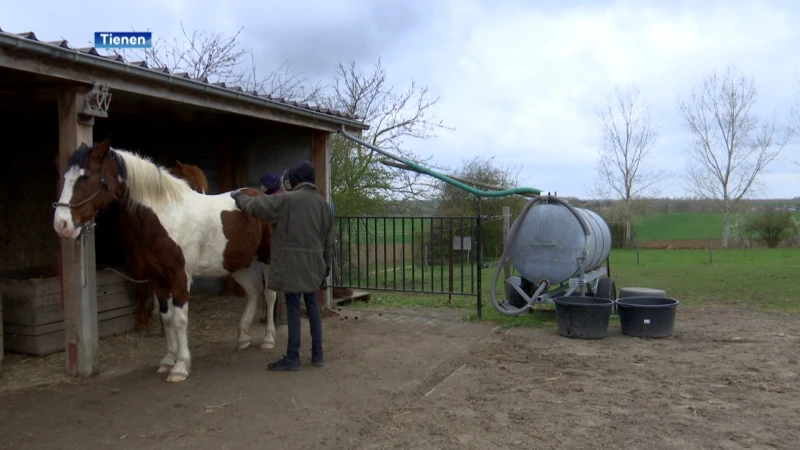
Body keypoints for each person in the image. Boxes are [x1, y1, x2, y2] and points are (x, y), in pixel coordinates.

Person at [231, 160, 334, 371]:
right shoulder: (324, 205)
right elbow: (329, 241)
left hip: (291, 265)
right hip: (315, 265)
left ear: (295, 180)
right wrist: (326, 268)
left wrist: (240, 197)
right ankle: (317, 354)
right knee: (313, 307)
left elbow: (257, 207)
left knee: (294, 308)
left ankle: (293, 357)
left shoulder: (287, 200)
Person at [258, 171, 283, 325]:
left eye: (263, 185)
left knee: (272, 283)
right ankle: (274, 316)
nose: (261, 187)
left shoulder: (272, 200)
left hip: (275, 246)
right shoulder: (282, 197)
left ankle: (275, 317)